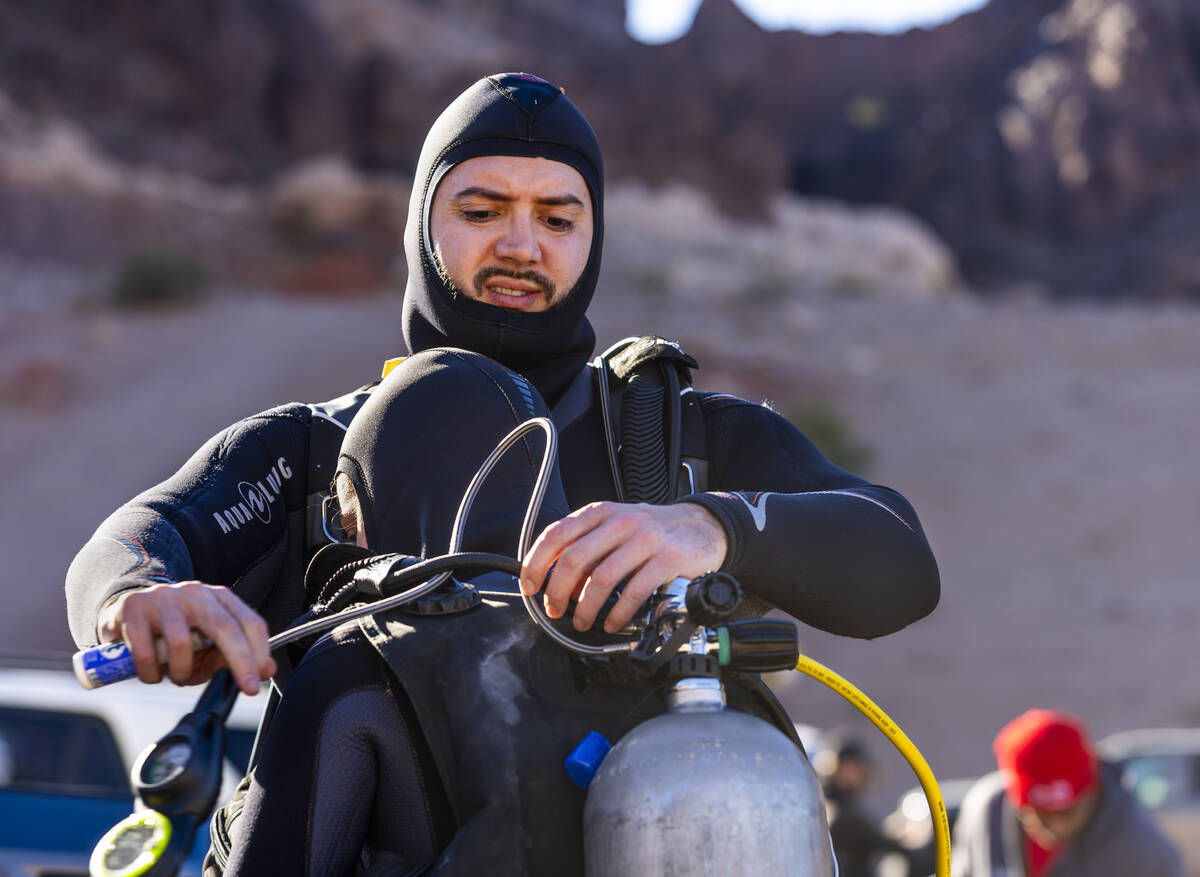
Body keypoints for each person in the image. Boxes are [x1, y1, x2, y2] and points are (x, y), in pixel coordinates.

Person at [65, 72, 940, 867]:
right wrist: (136, 597)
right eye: (481, 210)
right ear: (421, 226)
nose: (522, 244)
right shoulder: (311, 451)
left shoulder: (678, 441)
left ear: (592, 238)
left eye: (558, 218)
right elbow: (140, 540)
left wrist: (711, 526)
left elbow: (901, 560)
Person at [951, 709, 1183, 877]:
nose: (1057, 827)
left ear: (1092, 792)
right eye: (1041, 816)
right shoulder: (988, 813)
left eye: (1069, 812)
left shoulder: (1143, 851)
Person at [819, 737, 918, 877]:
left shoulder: (844, 801)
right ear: (845, 767)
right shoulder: (830, 804)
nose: (862, 774)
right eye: (858, 767)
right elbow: (865, 833)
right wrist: (895, 835)